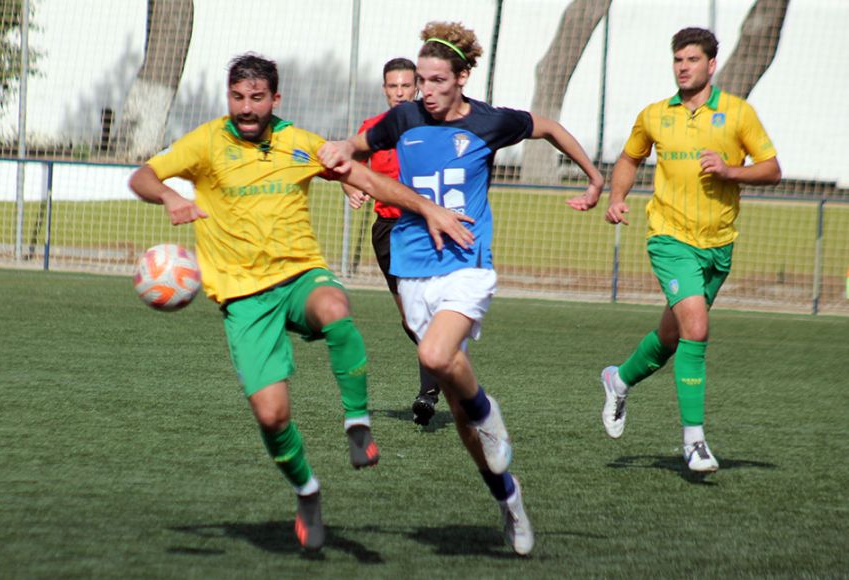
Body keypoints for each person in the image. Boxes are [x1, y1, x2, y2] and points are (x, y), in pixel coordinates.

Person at [128, 52, 474, 552]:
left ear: (275, 99)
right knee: (272, 417)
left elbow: (366, 178)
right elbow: (143, 176)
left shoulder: (298, 143)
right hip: (243, 298)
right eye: (238, 97)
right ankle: (307, 491)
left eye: (257, 98)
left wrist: (427, 208)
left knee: (335, 307)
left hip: (298, 276)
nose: (246, 108)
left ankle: (357, 423)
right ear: (230, 97)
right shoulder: (205, 142)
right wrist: (170, 197)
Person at [319, 22, 605, 556]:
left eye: (435, 80)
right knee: (460, 413)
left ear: (462, 78)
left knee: (433, 353)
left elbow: (547, 127)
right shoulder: (402, 118)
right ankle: (509, 500)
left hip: (467, 265)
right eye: (419, 80)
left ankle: (488, 412)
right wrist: (340, 153)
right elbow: (356, 145)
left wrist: (593, 177)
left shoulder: (489, 121)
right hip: (412, 269)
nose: (424, 90)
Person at [599, 27, 781, 473]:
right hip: (669, 238)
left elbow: (773, 169)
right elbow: (629, 157)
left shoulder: (738, 114)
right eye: (678, 59)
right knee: (696, 329)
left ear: (711, 65)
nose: (683, 67)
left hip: (718, 246)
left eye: (692, 60)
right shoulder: (655, 115)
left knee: (671, 337)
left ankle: (618, 379)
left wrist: (730, 172)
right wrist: (617, 197)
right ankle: (694, 441)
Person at [341, 57, 442, 426]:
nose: (399, 93)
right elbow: (345, 161)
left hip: (428, 226)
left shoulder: (433, 122)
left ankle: (429, 391)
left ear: (416, 86)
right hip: (388, 231)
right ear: (384, 89)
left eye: (405, 86)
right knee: (411, 316)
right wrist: (349, 184)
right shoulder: (374, 128)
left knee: (433, 309)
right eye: (392, 87)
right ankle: (441, 362)